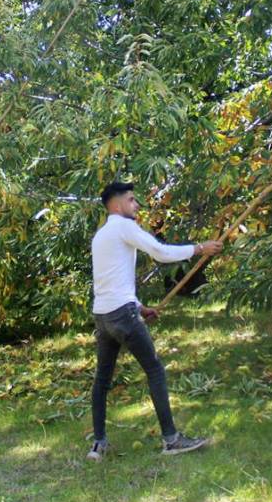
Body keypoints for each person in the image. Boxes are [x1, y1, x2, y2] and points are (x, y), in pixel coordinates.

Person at [87, 182, 224, 460]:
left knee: (102, 380)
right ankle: (171, 440)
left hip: (103, 316)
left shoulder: (101, 236)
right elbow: (160, 252)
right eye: (132, 200)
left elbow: (110, 279)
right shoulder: (123, 227)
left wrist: (140, 306)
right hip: (122, 315)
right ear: (116, 205)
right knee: (155, 370)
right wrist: (199, 248)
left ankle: (99, 444)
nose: (137, 205)